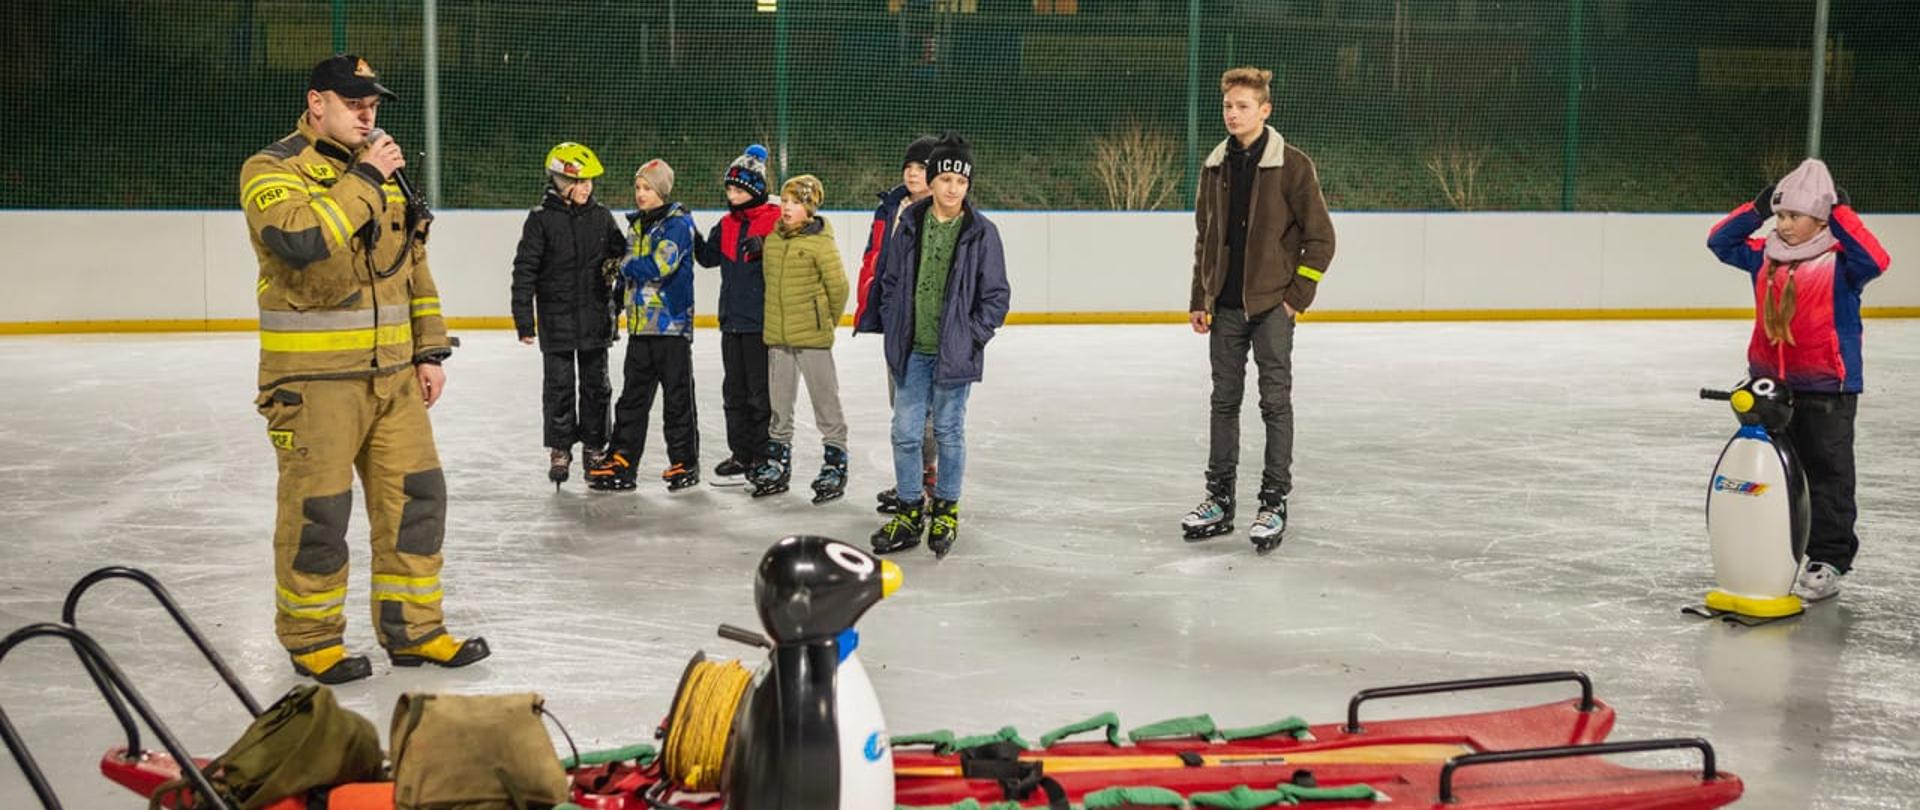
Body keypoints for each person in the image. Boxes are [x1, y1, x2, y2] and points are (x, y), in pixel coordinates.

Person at [240, 54, 488, 684]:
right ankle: (313, 638)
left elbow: (413, 266)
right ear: (316, 101)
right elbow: (300, 241)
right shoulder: (273, 169)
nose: (367, 113)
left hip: (394, 377)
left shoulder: (381, 173)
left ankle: (415, 631)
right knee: (318, 511)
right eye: (353, 102)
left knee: (418, 500)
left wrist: (429, 350)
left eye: (372, 103)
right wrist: (368, 179)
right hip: (314, 384)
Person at [1706, 157, 1890, 601]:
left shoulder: (1842, 262)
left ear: (1821, 218)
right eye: (1781, 215)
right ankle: (1770, 547)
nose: (1785, 225)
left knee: (1827, 475)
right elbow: (1719, 241)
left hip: (1828, 386)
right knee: (1772, 474)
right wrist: (1758, 208)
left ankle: (1828, 559)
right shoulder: (1762, 256)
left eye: (1795, 216)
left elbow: (1877, 259)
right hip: (1772, 388)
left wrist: (1840, 214)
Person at [1181, 66, 1336, 554]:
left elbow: (1322, 241)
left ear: (1265, 111)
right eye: (1228, 105)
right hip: (1224, 306)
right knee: (1223, 403)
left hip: (1272, 307)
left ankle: (1273, 500)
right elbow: (1206, 239)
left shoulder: (1293, 166)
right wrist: (1199, 298)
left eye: (1243, 106)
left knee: (1274, 404)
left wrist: (1295, 300)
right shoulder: (1214, 167)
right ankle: (1219, 498)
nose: (1233, 113)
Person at [863, 134, 1011, 558]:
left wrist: (971, 335)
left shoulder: (982, 233)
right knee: (905, 432)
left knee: (948, 430)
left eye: (960, 181)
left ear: (968, 186)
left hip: (952, 352)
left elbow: (996, 296)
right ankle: (910, 508)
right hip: (912, 349)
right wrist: (894, 324)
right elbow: (890, 280)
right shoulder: (909, 223)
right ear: (931, 180)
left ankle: (945, 507)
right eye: (944, 178)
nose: (951, 188)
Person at [510, 142, 628, 487]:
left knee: (596, 387)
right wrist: (523, 320)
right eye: (579, 182)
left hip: (594, 317)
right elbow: (525, 270)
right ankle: (560, 448)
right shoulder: (541, 220)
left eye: (590, 182)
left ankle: (594, 446)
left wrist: (620, 270)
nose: (587, 188)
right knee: (559, 388)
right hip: (557, 319)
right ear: (560, 182)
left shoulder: (601, 217)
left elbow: (623, 253)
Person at [587, 159, 702, 492]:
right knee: (632, 400)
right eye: (638, 187)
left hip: (671, 328)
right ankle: (623, 460)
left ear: (662, 191)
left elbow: (660, 265)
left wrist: (621, 264)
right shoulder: (636, 226)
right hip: (641, 328)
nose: (640, 194)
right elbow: (631, 274)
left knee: (677, 399)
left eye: (647, 188)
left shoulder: (677, 224)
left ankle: (685, 461)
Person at [752, 174, 852, 503]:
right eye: (784, 201)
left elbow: (839, 288)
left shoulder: (820, 242)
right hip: (779, 336)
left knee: (825, 401)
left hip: (812, 337)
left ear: (809, 208)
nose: (787, 208)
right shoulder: (776, 239)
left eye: (795, 203)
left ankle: (835, 462)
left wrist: (824, 321)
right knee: (779, 403)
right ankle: (778, 461)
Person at [856, 135, 940, 514]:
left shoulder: (940, 212)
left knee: (923, 409)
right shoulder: (891, 207)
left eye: (920, 168)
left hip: (925, 322)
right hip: (894, 318)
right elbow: (876, 257)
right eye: (908, 166)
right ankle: (910, 481)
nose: (912, 173)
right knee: (901, 404)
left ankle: (927, 479)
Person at [694, 145, 782, 487]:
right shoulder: (727, 223)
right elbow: (708, 258)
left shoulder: (774, 221)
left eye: (739, 189)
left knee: (760, 394)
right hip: (731, 320)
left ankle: (763, 455)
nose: (732, 195)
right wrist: (689, 229)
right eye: (729, 189)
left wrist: (768, 248)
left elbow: (793, 251)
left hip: (760, 321)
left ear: (756, 190)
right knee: (734, 390)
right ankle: (741, 453)